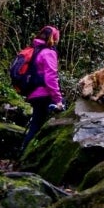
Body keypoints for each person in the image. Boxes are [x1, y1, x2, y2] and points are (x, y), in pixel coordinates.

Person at [20, 25, 65, 153]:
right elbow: (50, 78)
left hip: (33, 93)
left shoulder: (34, 50)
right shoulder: (49, 53)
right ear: (54, 38)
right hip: (44, 95)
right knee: (61, 114)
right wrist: (58, 100)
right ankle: (29, 155)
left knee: (35, 124)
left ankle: (23, 152)